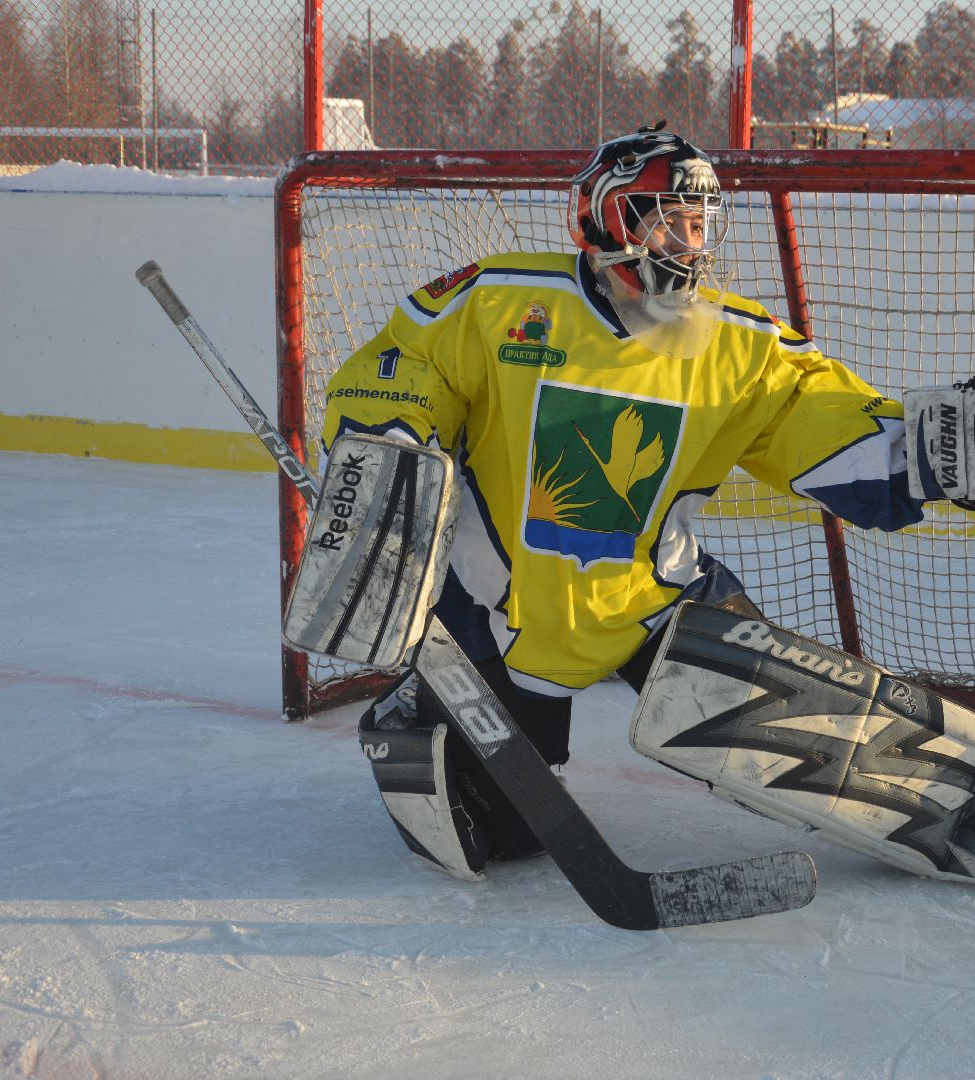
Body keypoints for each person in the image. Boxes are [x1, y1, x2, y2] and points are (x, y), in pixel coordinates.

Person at [323, 125, 933, 879]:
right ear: (606, 217)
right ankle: (414, 712)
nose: (687, 240)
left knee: (786, 747)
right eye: (666, 217)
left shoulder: (736, 340)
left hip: (656, 595)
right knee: (496, 832)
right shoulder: (497, 298)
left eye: (699, 223)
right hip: (498, 602)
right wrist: (387, 433)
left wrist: (934, 454)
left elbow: (815, 416)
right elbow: (402, 364)